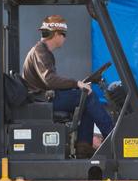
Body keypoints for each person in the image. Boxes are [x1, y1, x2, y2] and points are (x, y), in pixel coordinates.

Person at [21, 14, 115, 156]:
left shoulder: (43, 52)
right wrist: (76, 83)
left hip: (44, 98)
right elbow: (50, 80)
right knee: (88, 97)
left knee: (84, 99)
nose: (65, 38)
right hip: (41, 100)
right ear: (56, 34)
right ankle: (114, 136)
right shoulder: (40, 52)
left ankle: (84, 146)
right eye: (64, 34)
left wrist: (77, 86)